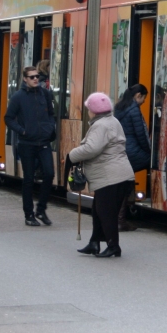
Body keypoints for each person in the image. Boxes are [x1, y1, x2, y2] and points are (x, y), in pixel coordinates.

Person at [68, 93, 135, 258]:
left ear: (93, 110)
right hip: (119, 175)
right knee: (98, 211)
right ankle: (94, 242)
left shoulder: (101, 126)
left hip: (111, 177)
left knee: (106, 212)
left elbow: (91, 149)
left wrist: (72, 155)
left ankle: (113, 246)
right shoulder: (112, 121)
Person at [4, 66, 56, 227]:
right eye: (32, 77)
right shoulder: (18, 97)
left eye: (37, 76)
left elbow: (51, 114)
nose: (35, 79)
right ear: (25, 79)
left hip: (44, 142)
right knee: (28, 179)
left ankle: (41, 209)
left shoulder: (45, 94)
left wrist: (50, 129)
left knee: (49, 174)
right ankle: (29, 215)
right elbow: (8, 118)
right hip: (27, 143)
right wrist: (22, 131)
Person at [113, 84, 150, 231]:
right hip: (132, 151)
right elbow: (140, 134)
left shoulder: (119, 107)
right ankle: (120, 220)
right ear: (138, 95)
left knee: (125, 182)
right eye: (144, 98)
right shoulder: (134, 109)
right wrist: (149, 152)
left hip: (121, 150)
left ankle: (120, 219)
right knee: (154, 164)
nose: (144, 102)